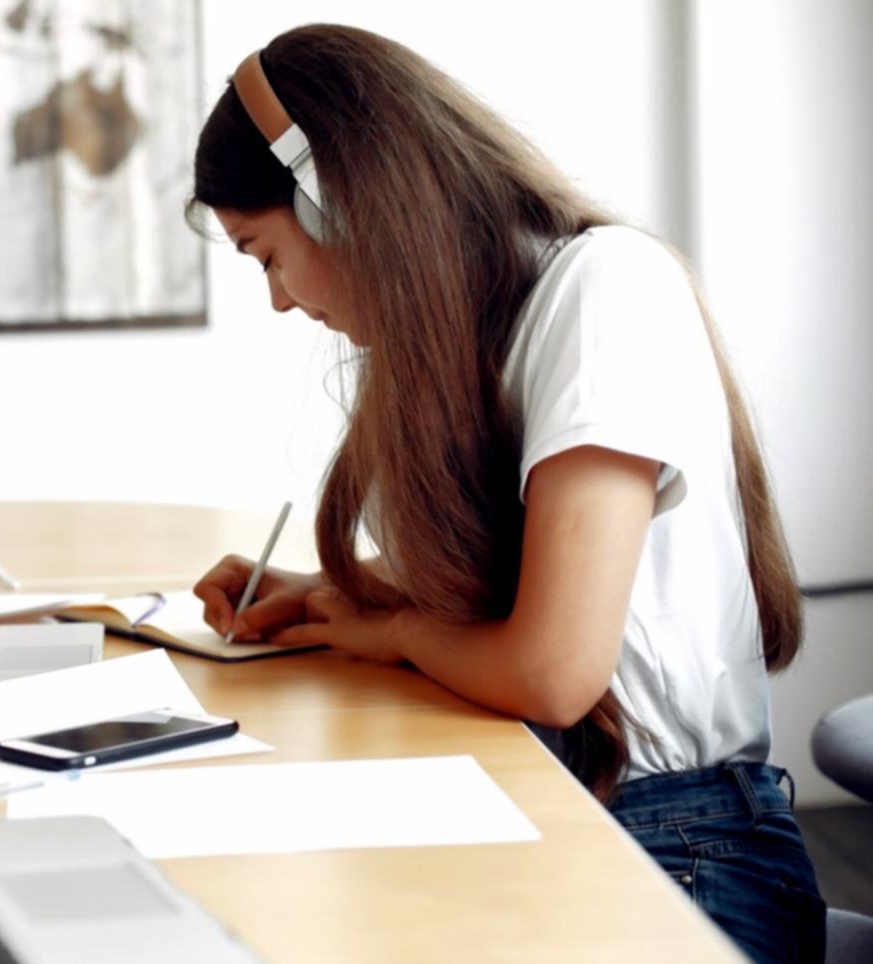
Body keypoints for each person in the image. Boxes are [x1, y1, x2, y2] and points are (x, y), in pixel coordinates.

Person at [189, 24, 825, 963]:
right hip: (569, 807)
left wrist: (395, 629)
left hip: (683, 845)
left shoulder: (604, 290)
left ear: (334, 201)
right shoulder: (474, 336)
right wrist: (333, 596)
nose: (278, 300)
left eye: (262, 253)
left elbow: (552, 672)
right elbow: (514, 592)